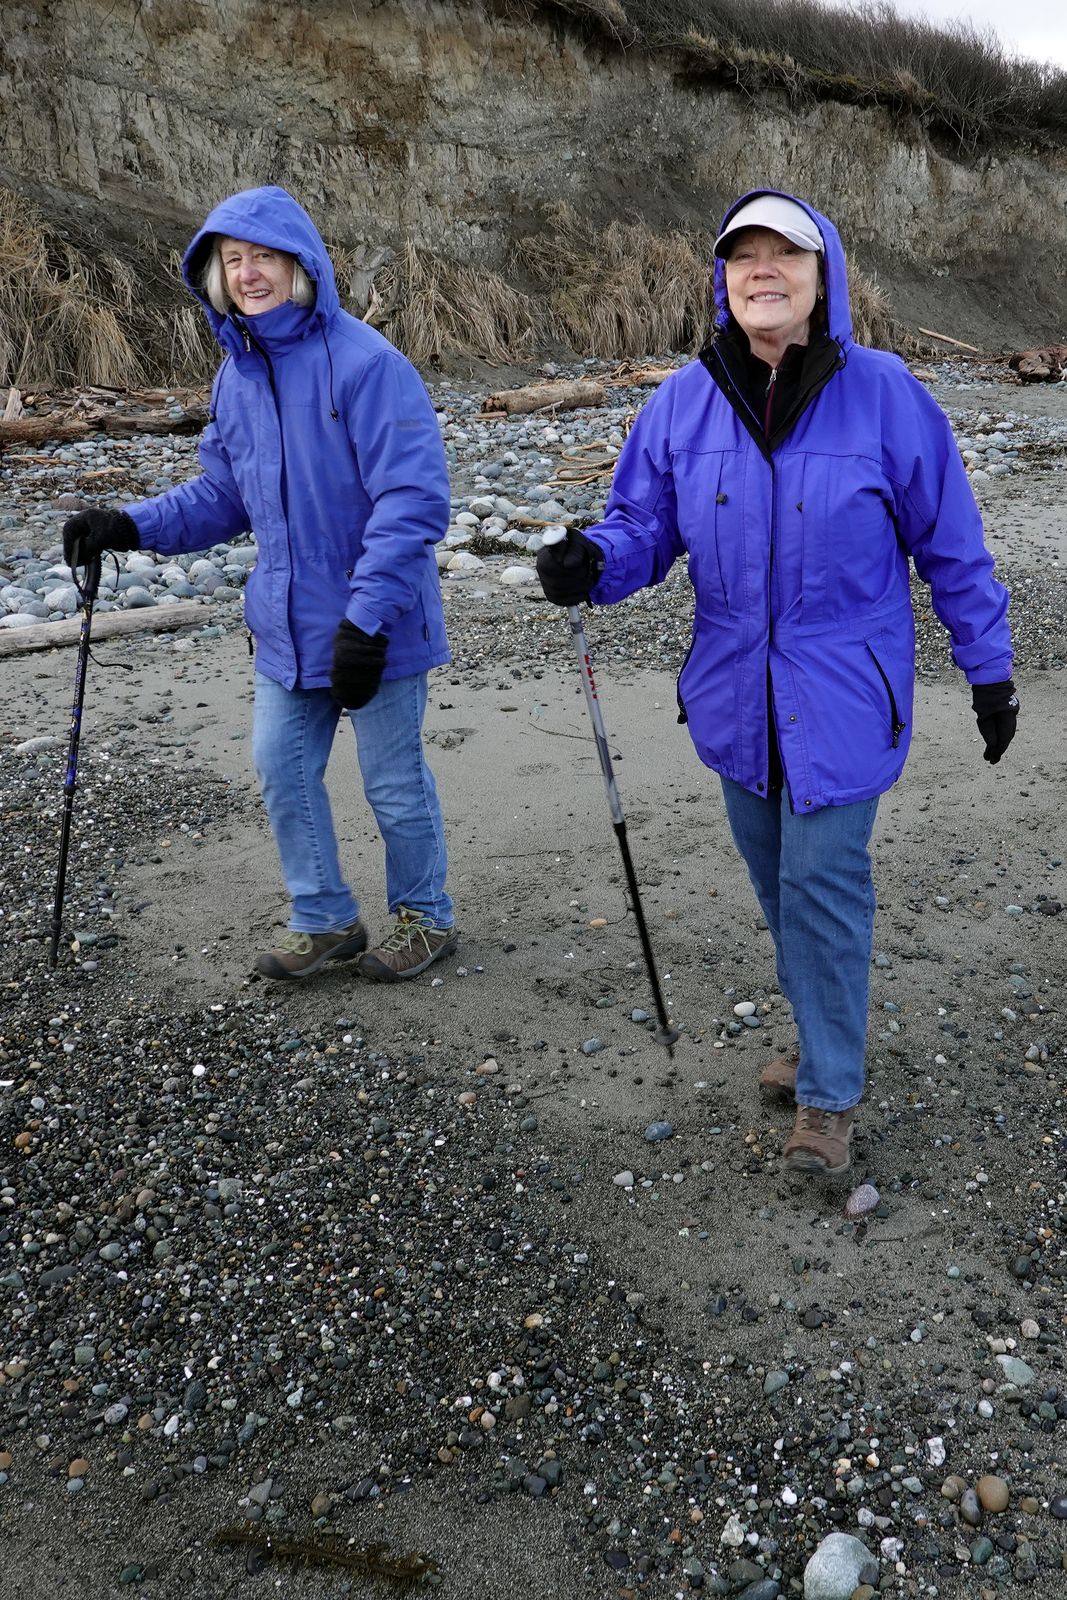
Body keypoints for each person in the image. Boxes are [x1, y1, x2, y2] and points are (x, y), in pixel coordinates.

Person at [537, 189, 1016, 1178]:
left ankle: (828, 1095)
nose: (762, 268)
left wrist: (989, 672)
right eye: (741, 253)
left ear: (820, 274)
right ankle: (815, 1031)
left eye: (783, 253)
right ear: (721, 279)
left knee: (823, 883)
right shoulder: (682, 399)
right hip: (732, 701)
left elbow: (952, 550)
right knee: (777, 885)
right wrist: (592, 556)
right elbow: (643, 528)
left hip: (846, 696)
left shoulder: (887, 395)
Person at [63, 186, 457, 983]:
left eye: (263, 257)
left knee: (392, 781)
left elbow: (413, 500)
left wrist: (366, 620)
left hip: (376, 622)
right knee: (280, 767)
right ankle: (324, 918)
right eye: (233, 260)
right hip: (284, 623)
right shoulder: (236, 376)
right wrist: (129, 523)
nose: (248, 274)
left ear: (300, 265)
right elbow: (224, 496)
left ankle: (425, 916)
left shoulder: (369, 364)